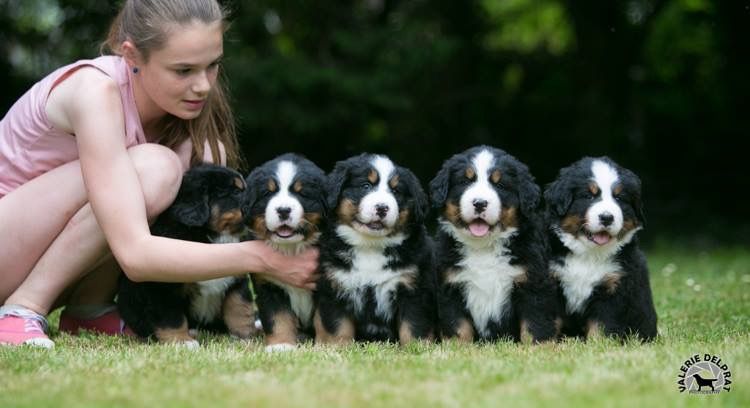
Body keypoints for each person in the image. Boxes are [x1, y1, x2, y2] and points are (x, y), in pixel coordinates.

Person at [0, 0, 319, 348]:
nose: (203, 86)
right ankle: (22, 309)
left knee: (201, 159)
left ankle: (89, 308)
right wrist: (263, 257)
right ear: (132, 56)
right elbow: (135, 254)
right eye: (183, 71)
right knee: (156, 170)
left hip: (41, 258)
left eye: (212, 66)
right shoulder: (94, 90)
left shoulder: (183, 119)